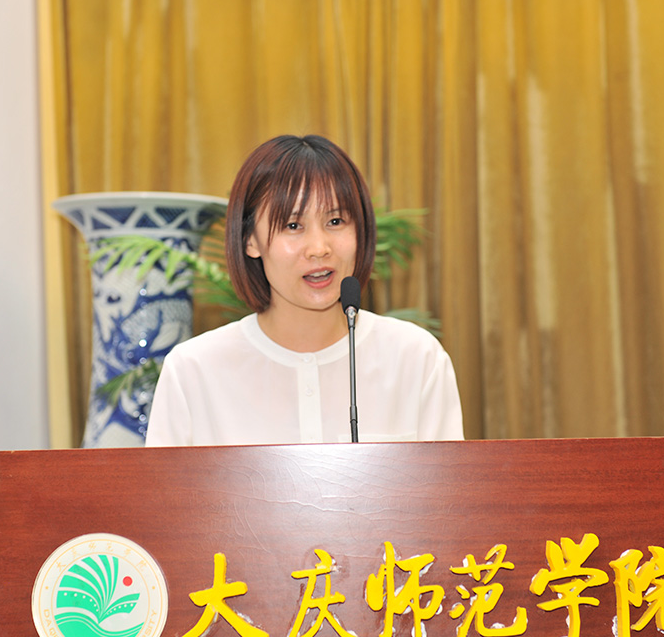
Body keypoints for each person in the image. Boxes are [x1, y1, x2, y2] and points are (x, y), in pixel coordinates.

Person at [144, 134, 463, 447]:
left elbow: (449, 482)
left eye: (335, 221)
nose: (319, 248)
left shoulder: (415, 358)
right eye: (293, 226)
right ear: (250, 240)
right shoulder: (194, 370)